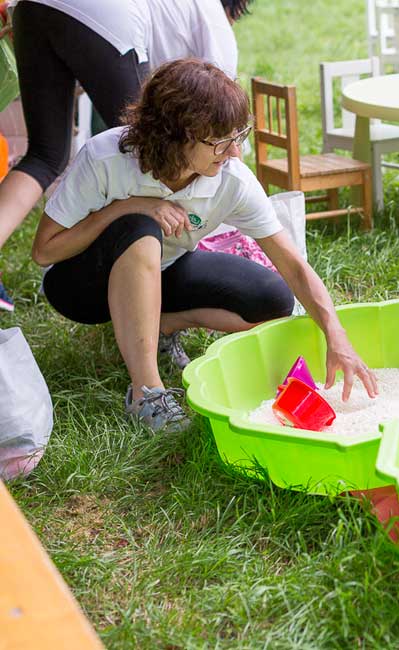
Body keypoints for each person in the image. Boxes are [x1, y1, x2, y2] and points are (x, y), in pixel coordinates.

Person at [30, 59, 378, 432]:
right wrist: (126, 207)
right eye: (220, 142)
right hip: (82, 287)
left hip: (161, 272)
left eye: (238, 137)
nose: (234, 153)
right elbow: (45, 251)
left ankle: (158, 325)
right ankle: (146, 392)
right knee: (139, 227)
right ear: (175, 134)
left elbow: (292, 265)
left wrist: (336, 335)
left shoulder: (232, 180)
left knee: (273, 299)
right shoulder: (106, 157)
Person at [0, 0, 256, 306]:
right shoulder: (214, 18)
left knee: (44, 156)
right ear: (236, 11)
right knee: (150, 151)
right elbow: (224, 118)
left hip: (33, 7)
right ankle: (131, 290)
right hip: (104, 16)